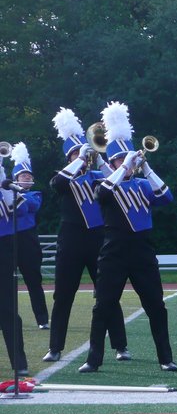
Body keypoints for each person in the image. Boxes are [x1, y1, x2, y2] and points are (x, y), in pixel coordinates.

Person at [78, 101, 177, 373]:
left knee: (156, 306)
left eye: (128, 159)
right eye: (121, 159)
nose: (128, 163)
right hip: (113, 250)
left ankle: (166, 358)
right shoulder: (103, 181)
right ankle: (93, 359)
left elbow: (167, 197)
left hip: (142, 251)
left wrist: (144, 167)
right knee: (104, 306)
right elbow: (103, 194)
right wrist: (122, 167)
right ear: (112, 163)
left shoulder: (144, 183)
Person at [44, 108, 127, 363]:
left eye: (82, 152)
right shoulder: (64, 177)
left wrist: (99, 160)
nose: (82, 156)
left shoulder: (99, 175)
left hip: (98, 239)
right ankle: (55, 347)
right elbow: (56, 185)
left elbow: (118, 182)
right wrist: (78, 159)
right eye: (74, 154)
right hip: (70, 240)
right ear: (69, 157)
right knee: (63, 294)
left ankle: (120, 346)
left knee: (107, 293)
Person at [8, 143, 50, 330]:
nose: (27, 178)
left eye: (29, 176)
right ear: (15, 178)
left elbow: (26, 208)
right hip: (8, 240)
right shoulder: (6, 194)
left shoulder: (35, 194)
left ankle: (42, 319)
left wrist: (13, 191)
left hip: (28, 241)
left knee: (33, 281)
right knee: (5, 282)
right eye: (23, 176)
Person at [0, 160, 29, 376]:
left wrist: (2, 177)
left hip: (4, 248)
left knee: (8, 309)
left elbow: (22, 209)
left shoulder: (4, 188)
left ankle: (19, 363)